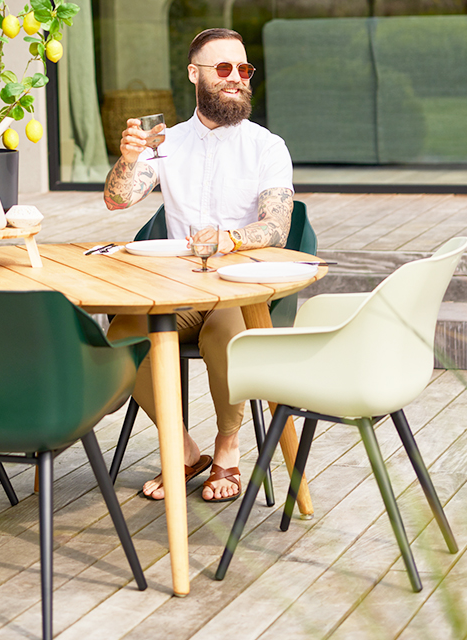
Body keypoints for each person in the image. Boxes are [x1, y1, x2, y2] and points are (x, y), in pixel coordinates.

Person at [103, 28, 294, 502]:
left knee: (224, 334)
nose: (236, 78)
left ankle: (227, 447)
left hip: (243, 290)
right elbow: (117, 199)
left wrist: (232, 238)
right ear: (194, 73)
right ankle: (185, 450)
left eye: (243, 69)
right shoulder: (166, 142)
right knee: (124, 334)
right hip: (180, 290)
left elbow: (277, 227)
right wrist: (127, 159)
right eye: (223, 68)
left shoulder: (267, 146)